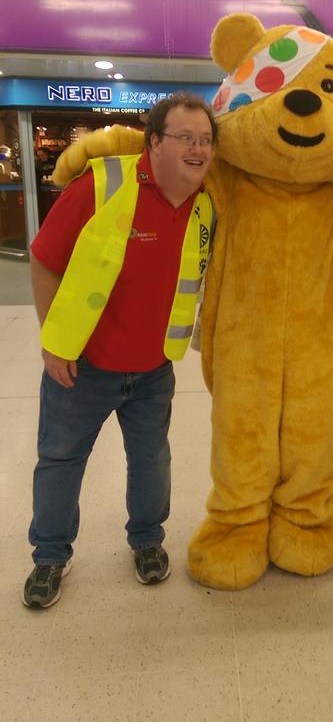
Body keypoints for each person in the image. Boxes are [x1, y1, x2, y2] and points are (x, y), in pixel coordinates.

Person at [22, 92, 216, 608]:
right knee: (61, 460)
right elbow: (43, 260)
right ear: (154, 142)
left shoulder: (206, 205)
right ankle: (49, 556)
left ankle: (148, 540)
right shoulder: (103, 185)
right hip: (82, 367)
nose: (197, 149)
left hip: (154, 368)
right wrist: (52, 341)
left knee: (151, 459)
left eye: (205, 140)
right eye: (184, 138)